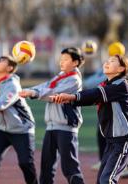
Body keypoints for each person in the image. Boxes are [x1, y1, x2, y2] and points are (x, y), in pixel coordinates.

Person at [50, 55, 128, 184]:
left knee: (107, 180)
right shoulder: (107, 85)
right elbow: (92, 97)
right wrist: (69, 99)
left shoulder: (121, 84)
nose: (107, 62)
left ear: (121, 69)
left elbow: (95, 94)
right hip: (111, 141)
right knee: (101, 180)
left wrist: (71, 97)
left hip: (124, 140)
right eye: (107, 60)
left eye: (112, 61)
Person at [19, 47, 85, 184]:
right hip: (51, 128)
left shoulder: (74, 80)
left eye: (66, 59)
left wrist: (34, 94)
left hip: (66, 128)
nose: (61, 62)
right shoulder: (61, 76)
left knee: (70, 169)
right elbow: (46, 85)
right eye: (61, 59)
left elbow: (54, 93)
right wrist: (30, 90)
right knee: (46, 168)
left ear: (75, 62)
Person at [0, 55, 37, 184]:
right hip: (3, 129)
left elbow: (0, 104)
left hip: (22, 129)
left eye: (2, 61)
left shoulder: (13, 86)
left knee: (25, 163)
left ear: (10, 67)